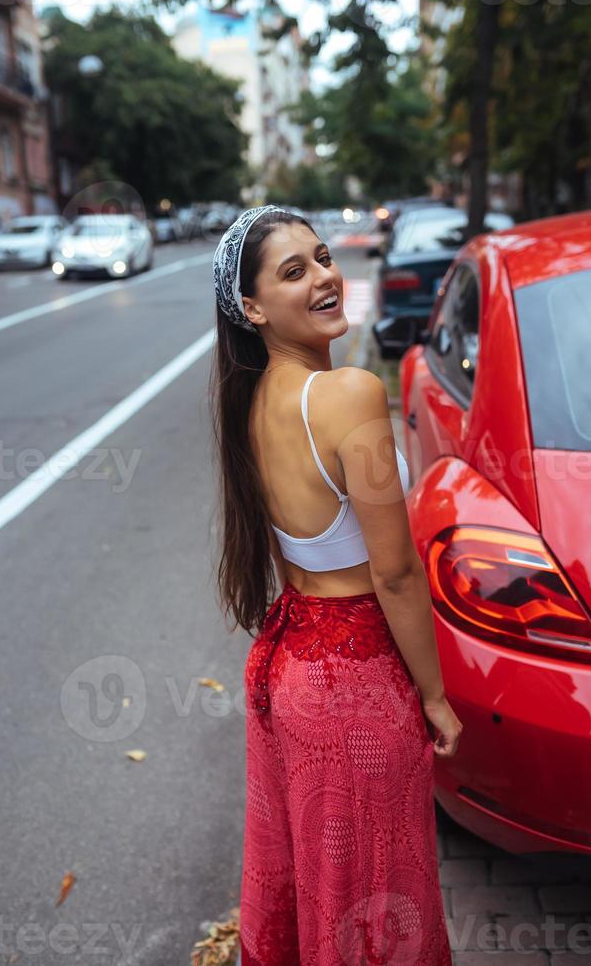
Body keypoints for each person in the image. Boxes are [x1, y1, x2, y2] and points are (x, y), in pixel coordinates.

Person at [209, 205, 462, 965]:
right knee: (378, 905)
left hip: (290, 675)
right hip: (357, 686)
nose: (323, 277)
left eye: (322, 258)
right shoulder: (346, 394)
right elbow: (392, 572)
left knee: (325, 891)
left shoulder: (247, 402)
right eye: (293, 271)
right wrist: (435, 696)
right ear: (251, 308)